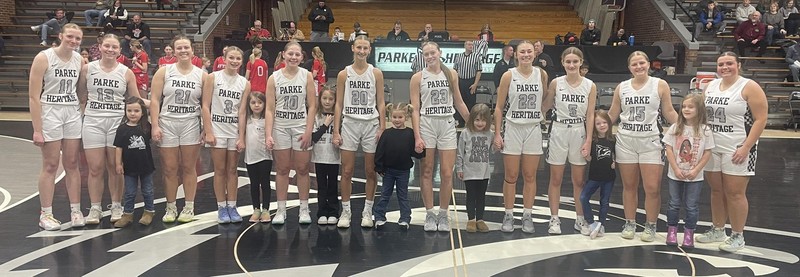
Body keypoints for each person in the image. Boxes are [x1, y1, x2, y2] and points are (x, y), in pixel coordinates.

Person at [696, 52, 768, 253]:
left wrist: (746, 147)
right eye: (721, 64)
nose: (725, 67)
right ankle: (718, 229)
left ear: (738, 64)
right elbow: (703, 116)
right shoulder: (710, 86)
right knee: (716, 191)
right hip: (713, 145)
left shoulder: (749, 86)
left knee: (735, 193)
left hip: (737, 147)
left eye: (729, 63)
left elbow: (761, 119)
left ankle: (738, 235)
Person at [608, 51, 678, 242]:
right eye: (634, 64)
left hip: (651, 141)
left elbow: (669, 111)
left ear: (648, 64)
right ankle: (630, 222)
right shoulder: (622, 87)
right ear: (629, 67)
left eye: (642, 63)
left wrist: (687, 128)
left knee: (652, 187)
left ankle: (651, 225)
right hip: (626, 141)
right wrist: (595, 130)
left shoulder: (660, 85)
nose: (638, 67)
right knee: (629, 186)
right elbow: (613, 113)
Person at [77, 33, 143, 225]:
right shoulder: (88, 69)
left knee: (115, 167)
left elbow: (135, 100)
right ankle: (95, 207)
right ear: (100, 46)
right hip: (93, 121)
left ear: (119, 50)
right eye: (107, 46)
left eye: (114, 47)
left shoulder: (126, 72)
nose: (110, 50)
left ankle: (116, 205)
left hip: (117, 123)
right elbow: (82, 97)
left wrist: (156, 106)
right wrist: (82, 118)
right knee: (95, 168)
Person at [28, 23, 84, 230]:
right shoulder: (44, 58)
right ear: (61, 36)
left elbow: (81, 92)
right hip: (50, 111)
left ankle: (76, 210)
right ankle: (46, 214)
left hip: (71, 112)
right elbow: (34, 96)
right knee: (51, 165)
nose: (73, 41)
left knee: (72, 163)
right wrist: (37, 128)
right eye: (70, 36)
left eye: (77, 38)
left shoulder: (79, 60)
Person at [410, 41, 470, 232]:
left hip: (446, 124)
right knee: (426, 171)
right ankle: (429, 213)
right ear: (423, 56)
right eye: (426, 54)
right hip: (427, 124)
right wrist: (417, 136)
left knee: (446, 172)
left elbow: (459, 101)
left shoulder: (451, 74)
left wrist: (473, 125)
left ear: (439, 52)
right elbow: (415, 109)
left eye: (432, 52)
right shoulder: (418, 77)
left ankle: (443, 214)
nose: (430, 56)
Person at [492, 40, 548, 233]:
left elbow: (545, 101)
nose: (526, 55)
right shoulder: (509, 75)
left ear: (535, 53)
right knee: (511, 176)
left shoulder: (542, 74)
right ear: (515, 54)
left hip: (532, 128)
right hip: (513, 128)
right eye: (522, 52)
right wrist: (497, 133)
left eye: (529, 51)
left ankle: (527, 215)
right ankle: (508, 214)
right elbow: (499, 108)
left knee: (530, 175)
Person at [150, 35, 207, 223]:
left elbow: (207, 104)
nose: (183, 51)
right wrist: (155, 125)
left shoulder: (202, 75)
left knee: (189, 167)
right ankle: (171, 206)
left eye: (186, 48)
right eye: (179, 48)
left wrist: (206, 128)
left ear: (192, 50)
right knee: (169, 169)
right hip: (168, 123)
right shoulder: (164, 72)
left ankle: (189, 207)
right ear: (173, 51)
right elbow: (155, 100)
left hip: (190, 123)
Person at [332, 36, 386, 228]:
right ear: (353, 48)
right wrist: (336, 130)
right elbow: (338, 104)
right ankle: (346, 211)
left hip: (370, 124)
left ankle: (367, 211)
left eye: (365, 48)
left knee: (371, 171)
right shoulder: (343, 74)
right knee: (346, 171)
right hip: (350, 124)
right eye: (359, 48)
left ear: (369, 50)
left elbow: (381, 102)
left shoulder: (376, 73)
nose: (362, 51)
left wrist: (382, 126)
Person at [543, 47, 597, 235]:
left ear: (581, 62)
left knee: (579, 180)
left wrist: (589, 139)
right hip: (558, 130)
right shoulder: (556, 83)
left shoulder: (590, 85)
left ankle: (580, 219)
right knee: (555, 178)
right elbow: (545, 106)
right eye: (568, 62)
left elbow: (590, 115)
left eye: (575, 61)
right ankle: (554, 219)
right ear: (563, 63)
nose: (572, 65)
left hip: (578, 131)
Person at [265, 41, 317, 225]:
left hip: (300, 127)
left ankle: (304, 208)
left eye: (297, 54)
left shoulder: (307, 76)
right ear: (283, 55)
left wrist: (309, 130)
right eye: (291, 54)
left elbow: (312, 106)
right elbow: (269, 109)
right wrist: (268, 134)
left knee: (303, 169)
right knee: (282, 169)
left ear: (302, 57)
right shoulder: (274, 78)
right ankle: (280, 209)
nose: (294, 57)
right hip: (280, 127)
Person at [202, 46, 250, 224]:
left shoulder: (245, 83)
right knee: (219, 170)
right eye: (231, 57)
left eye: (238, 58)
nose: (235, 61)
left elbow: (242, 112)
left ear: (242, 61)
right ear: (224, 58)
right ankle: (221, 206)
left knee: (232, 170)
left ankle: (232, 205)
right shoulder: (213, 77)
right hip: (217, 129)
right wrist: (208, 131)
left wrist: (241, 136)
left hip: (233, 130)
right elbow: (205, 106)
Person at [663, 94, 715, 248]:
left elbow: (707, 153)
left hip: (695, 176)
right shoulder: (675, 127)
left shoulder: (705, 130)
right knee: (673, 203)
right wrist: (675, 168)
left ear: (699, 110)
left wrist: (696, 170)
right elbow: (669, 148)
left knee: (691, 205)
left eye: (690, 107)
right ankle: (671, 230)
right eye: (684, 106)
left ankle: (689, 233)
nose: (686, 109)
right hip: (675, 174)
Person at [373, 102, 425, 230]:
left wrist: (420, 151)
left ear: (406, 118)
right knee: (385, 194)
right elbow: (380, 151)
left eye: (400, 117)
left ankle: (405, 218)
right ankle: (379, 217)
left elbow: (414, 152)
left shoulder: (410, 134)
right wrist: (379, 167)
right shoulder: (386, 133)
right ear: (390, 117)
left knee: (403, 196)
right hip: (388, 171)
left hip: (404, 171)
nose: (397, 120)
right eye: (394, 117)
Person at [113, 97, 156, 227]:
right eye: (129, 110)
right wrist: (118, 164)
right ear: (125, 111)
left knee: (147, 190)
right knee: (130, 192)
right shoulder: (121, 129)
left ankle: (149, 211)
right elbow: (118, 148)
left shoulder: (147, 127)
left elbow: (153, 106)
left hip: (145, 166)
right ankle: (127, 214)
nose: (132, 113)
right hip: (129, 167)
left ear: (142, 112)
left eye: (136, 110)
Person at [456, 104, 493, 233]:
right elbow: (460, 152)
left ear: (488, 121)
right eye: (477, 120)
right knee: (471, 196)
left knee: (481, 196)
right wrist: (459, 168)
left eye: (483, 120)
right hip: (469, 171)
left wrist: (499, 145)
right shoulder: (466, 133)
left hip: (484, 172)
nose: (480, 123)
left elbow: (492, 149)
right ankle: (471, 219)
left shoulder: (490, 134)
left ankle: (480, 219)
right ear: (472, 119)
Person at [579, 111, 616, 239]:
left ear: (609, 124)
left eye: (604, 122)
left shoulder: (613, 140)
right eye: (598, 123)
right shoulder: (592, 141)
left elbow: (616, 156)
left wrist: (615, 162)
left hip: (609, 178)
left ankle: (602, 224)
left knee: (604, 202)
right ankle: (591, 222)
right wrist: (586, 155)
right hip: (594, 177)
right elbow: (590, 159)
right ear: (593, 126)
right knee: (583, 197)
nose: (602, 125)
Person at [311, 86, 340, 225]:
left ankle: (334, 212)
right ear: (320, 99)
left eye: (330, 99)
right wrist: (325, 125)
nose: (327, 101)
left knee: (333, 185)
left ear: (335, 101)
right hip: (319, 156)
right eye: (324, 98)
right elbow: (314, 137)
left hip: (334, 157)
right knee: (321, 186)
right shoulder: (316, 116)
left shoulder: (339, 117)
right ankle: (322, 212)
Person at [244, 92, 273, 223]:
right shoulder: (246, 119)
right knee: (254, 183)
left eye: (260, 102)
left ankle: (266, 209)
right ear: (248, 104)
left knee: (265, 183)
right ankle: (256, 209)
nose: (256, 105)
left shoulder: (267, 119)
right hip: (250, 157)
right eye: (253, 102)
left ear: (265, 104)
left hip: (265, 156)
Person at [453, 40, 483, 127]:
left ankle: (471, 122)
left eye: (472, 45)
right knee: (460, 101)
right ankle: (460, 122)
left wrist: (475, 84)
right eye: (469, 44)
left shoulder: (476, 56)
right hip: (461, 81)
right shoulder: (459, 56)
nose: (471, 46)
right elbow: (455, 70)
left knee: (471, 103)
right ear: (465, 45)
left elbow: (479, 71)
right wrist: (456, 83)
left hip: (471, 81)